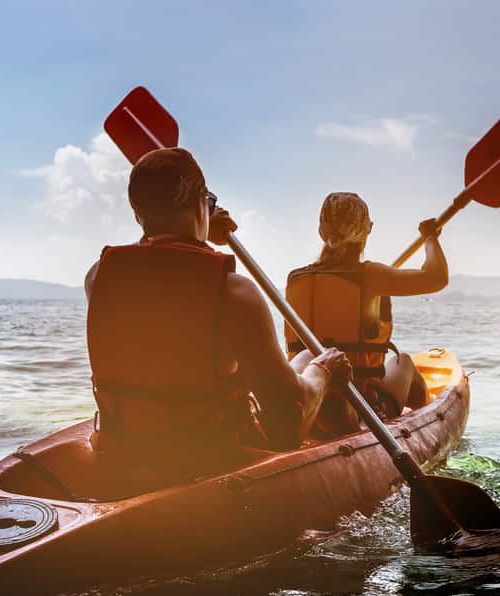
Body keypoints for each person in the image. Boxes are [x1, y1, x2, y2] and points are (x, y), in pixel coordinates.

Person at [83, 148, 351, 483]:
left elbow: (157, 269)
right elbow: (288, 424)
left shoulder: (98, 278)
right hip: (211, 463)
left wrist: (197, 225)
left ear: (138, 215)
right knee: (315, 359)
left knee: (303, 359)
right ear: (202, 203)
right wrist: (323, 373)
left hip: (123, 451)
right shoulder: (234, 294)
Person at [285, 192, 448, 436]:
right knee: (404, 362)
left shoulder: (296, 278)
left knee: (397, 362)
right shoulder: (370, 276)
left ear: (322, 231)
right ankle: (430, 422)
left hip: (309, 395)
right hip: (361, 407)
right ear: (366, 230)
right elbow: (436, 278)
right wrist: (430, 238)